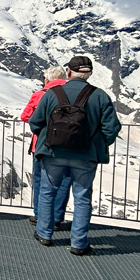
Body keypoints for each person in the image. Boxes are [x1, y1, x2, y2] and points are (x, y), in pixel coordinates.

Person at [29, 56, 121, 255]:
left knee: (47, 192)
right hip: (86, 155)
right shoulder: (100, 96)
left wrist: (48, 138)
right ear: (89, 73)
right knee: (82, 197)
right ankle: (78, 243)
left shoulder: (52, 93)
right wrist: (98, 145)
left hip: (53, 152)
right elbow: (112, 128)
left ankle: (44, 233)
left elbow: (35, 122)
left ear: (68, 72)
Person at [20, 66, 71, 228]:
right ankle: (56, 217)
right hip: (67, 145)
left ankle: (39, 215)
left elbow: (25, 116)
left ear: (47, 80)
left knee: (40, 179)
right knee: (63, 181)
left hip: (41, 144)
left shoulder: (40, 95)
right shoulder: (72, 94)